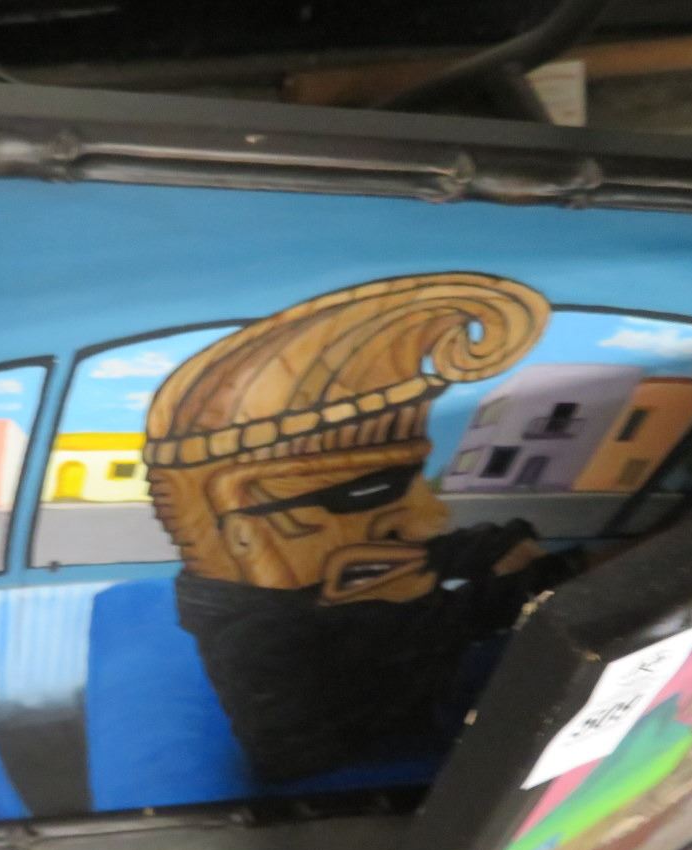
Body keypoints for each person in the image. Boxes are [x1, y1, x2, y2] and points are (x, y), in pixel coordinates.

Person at [143, 272, 584, 781]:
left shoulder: (319, 573)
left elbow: (432, 555)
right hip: (360, 769)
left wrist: (495, 543)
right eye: (368, 492)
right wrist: (563, 571)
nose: (430, 515)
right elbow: (450, 619)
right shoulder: (262, 637)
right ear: (243, 530)